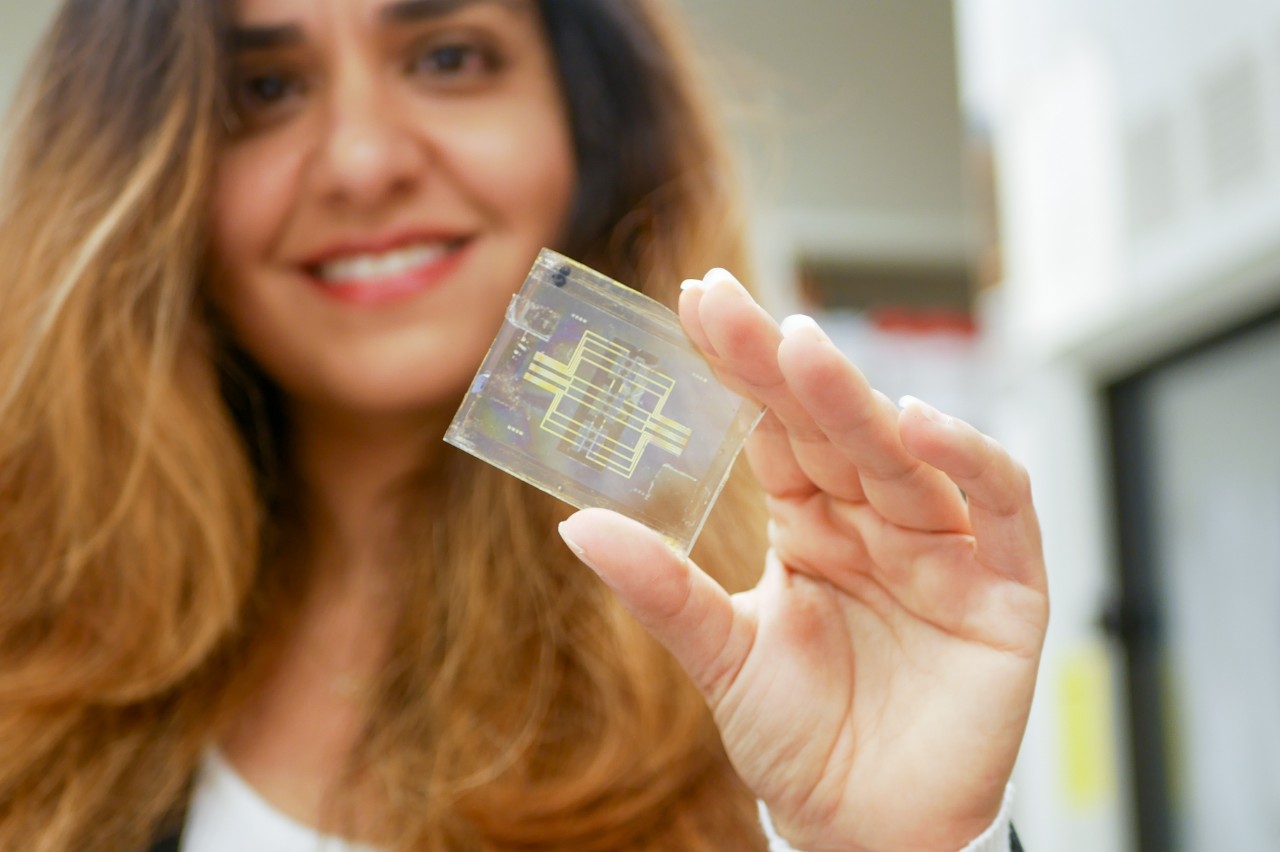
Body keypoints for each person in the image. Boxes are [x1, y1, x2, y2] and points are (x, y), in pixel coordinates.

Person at [0, 0, 1049, 849]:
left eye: (448, 57)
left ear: (591, 133)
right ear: (141, 174)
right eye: (264, 88)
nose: (364, 162)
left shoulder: (784, 658)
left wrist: (906, 851)